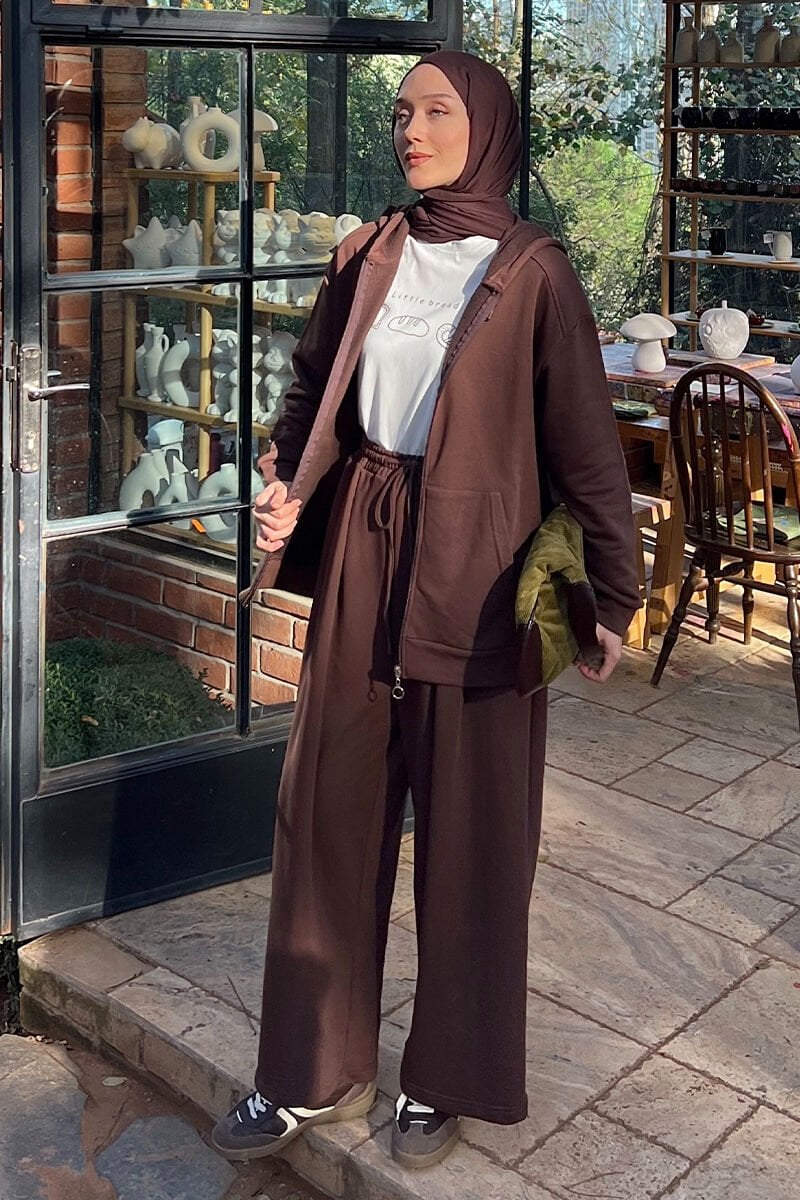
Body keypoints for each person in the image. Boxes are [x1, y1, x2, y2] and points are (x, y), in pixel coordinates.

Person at [212, 50, 640, 1170]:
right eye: (402, 112)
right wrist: (286, 475)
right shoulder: (369, 251)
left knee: (473, 831)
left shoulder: (534, 272)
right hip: (365, 543)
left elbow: (586, 447)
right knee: (326, 806)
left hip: (484, 571)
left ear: (485, 127)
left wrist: (613, 592)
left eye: (437, 111)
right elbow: (313, 383)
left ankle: (447, 1076)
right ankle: (308, 1068)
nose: (412, 129)